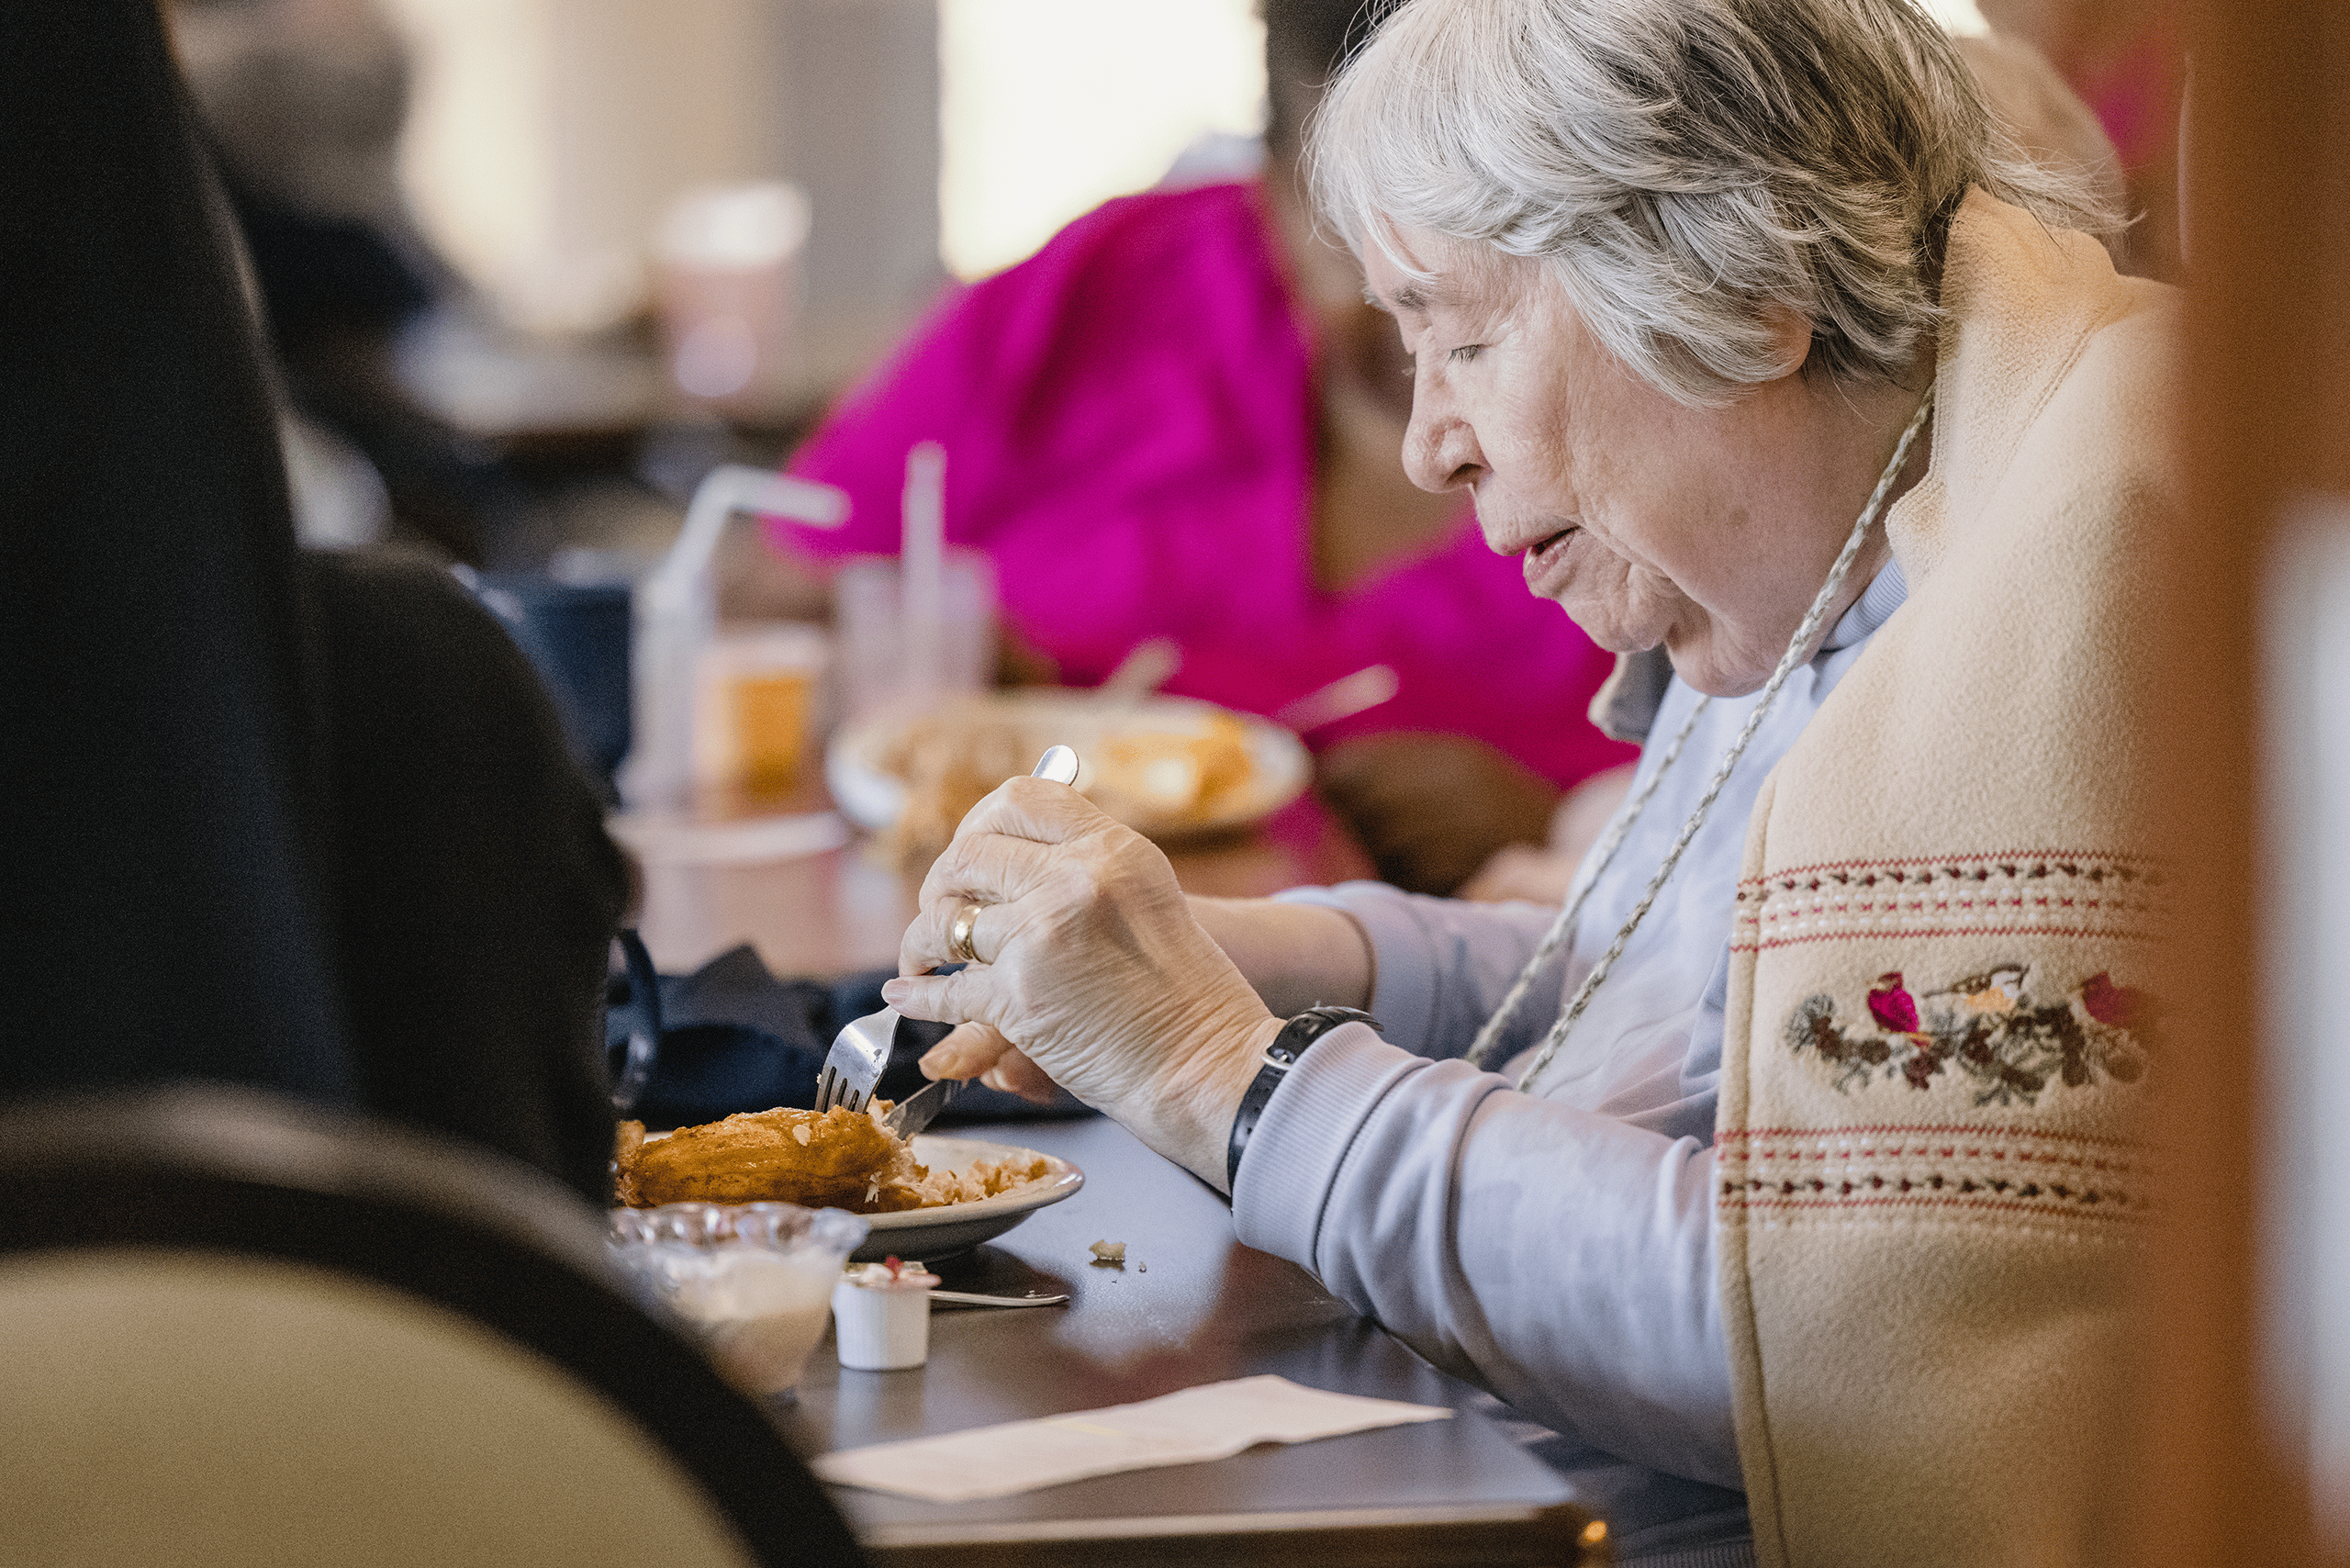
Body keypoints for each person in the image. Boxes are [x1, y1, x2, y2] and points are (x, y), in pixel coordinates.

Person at [872, 2, 2175, 1565]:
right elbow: (1663, 983)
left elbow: (1836, 1341)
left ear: (1744, 286)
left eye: (1465, 340)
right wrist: (1258, 958)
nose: (1429, 448)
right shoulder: (1857, 516)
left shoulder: (2095, 564)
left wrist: (1223, 1072)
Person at [742, 0, 1637, 896]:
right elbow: (770, 595)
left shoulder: (1652, 439)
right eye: (1352, 222)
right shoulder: (1095, 298)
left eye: (1486, 227)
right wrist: (948, 662)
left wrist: (1576, 837)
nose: (1414, 294)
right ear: (1272, 185)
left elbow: (1704, 851)